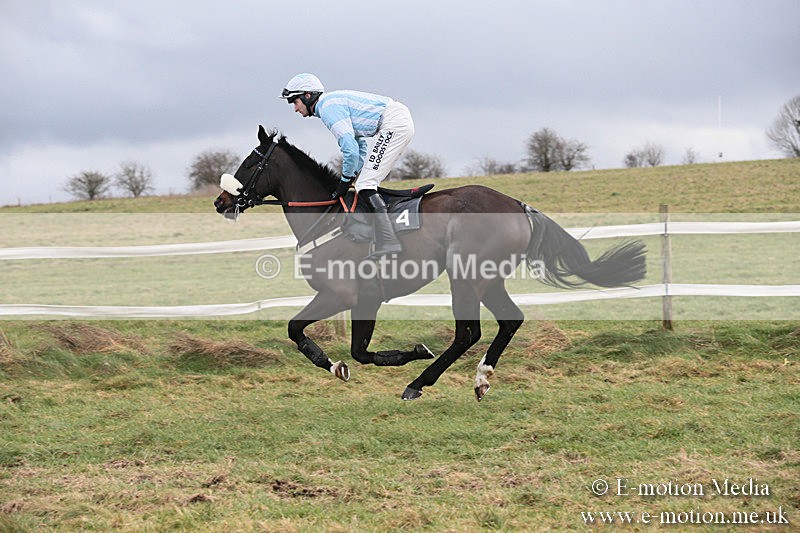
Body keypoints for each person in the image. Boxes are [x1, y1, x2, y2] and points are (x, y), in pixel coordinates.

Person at [280, 73, 414, 257]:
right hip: (395, 121)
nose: (295, 108)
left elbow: (350, 149)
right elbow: (360, 146)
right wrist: (352, 174)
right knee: (364, 182)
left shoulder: (328, 108)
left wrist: (344, 181)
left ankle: (389, 241)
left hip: (394, 124)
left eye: (294, 102)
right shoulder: (329, 104)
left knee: (365, 185)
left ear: (307, 96)